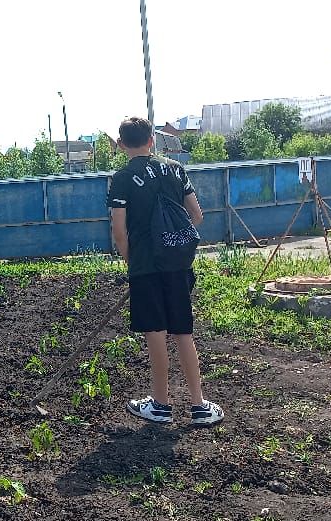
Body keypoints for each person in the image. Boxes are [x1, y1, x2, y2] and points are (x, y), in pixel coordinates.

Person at [107, 116, 224, 426]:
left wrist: (133, 260)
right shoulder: (174, 168)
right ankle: (199, 406)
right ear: (152, 140)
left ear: (121, 145)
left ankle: (160, 405)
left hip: (145, 266)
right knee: (183, 332)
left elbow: (119, 230)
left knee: (156, 334)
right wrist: (172, 242)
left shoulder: (121, 178)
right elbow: (195, 216)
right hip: (177, 265)